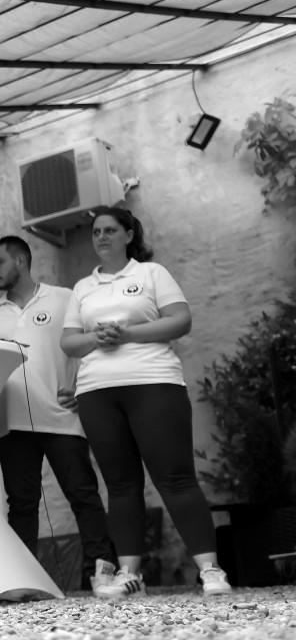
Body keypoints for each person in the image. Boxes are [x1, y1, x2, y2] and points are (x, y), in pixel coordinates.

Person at [60, 206, 231, 598]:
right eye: (96, 232)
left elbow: (180, 320)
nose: (101, 237)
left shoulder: (152, 274)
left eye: (109, 230)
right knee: (120, 485)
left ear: (128, 235)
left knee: (175, 478)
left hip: (153, 382)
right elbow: (69, 342)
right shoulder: (82, 288)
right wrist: (96, 339)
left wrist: (127, 334)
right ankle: (129, 573)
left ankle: (210, 569)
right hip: (96, 392)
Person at [0, 235, 117, 595]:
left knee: (83, 495)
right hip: (10, 421)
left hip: (61, 415)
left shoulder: (64, 298)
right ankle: (21, 580)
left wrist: (81, 387)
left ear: (21, 261)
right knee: (22, 505)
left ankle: (101, 573)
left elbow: (89, 345)